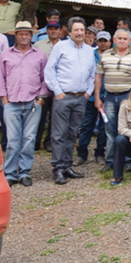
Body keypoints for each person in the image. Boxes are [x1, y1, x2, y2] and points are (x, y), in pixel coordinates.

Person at [45, 17, 96, 184]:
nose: (80, 33)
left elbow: (92, 74)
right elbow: (49, 70)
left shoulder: (89, 50)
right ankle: (58, 168)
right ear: (69, 31)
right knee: (59, 134)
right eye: (76, 30)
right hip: (64, 96)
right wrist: (58, 91)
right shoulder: (60, 47)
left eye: (82, 30)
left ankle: (67, 165)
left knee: (73, 134)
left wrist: (88, 92)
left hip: (81, 97)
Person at [0, 21, 48, 187]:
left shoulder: (40, 55)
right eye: (21, 34)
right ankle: (10, 173)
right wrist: (4, 99)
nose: (24, 36)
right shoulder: (5, 54)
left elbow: (45, 79)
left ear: (31, 36)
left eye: (27, 33)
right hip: (11, 102)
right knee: (12, 140)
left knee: (29, 138)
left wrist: (41, 98)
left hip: (32, 102)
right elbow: (0, 79)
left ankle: (25, 171)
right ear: (16, 36)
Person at [96, 28, 131, 172]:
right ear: (114, 40)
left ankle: (129, 161)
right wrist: (97, 97)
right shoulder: (106, 55)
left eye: (125, 39)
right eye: (119, 38)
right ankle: (110, 161)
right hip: (109, 97)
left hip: (129, 97)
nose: (122, 41)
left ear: (130, 41)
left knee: (129, 128)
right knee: (110, 129)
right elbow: (98, 77)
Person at [76, 31, 110, 166]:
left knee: (104, 127)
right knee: (86, 126)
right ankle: (81, 154)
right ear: (97, 41)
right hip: (90, 96)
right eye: (100, 40)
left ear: (109, 42)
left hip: (107, 96)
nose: (103, 43)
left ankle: (100, 153)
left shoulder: (113, 55)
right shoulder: (90, 54)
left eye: (105, 41)